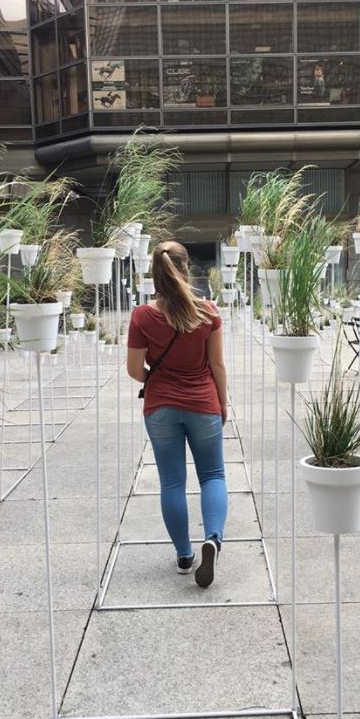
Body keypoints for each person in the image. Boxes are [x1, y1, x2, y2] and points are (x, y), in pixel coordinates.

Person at [127, 241, 228, 588]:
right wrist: (222, 403)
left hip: (160, 408)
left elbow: (134, 370)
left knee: (172, 482)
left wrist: (158, 378)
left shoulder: (142, 316)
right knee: (213, 476)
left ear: (154, 272)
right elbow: (216, 364)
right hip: (203, 404)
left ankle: (185, 555)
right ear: (186, 268)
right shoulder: (208, 312)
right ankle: (212, 539)